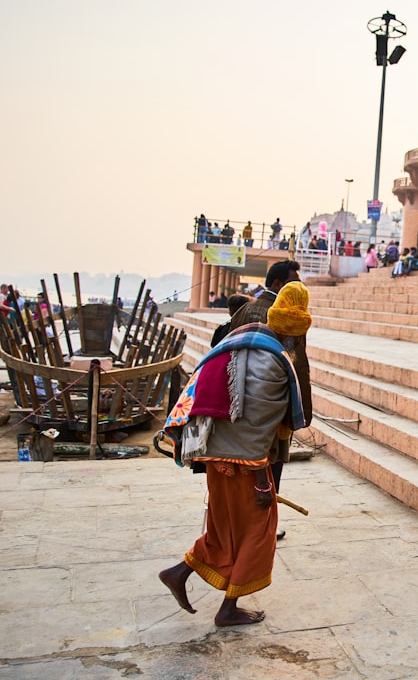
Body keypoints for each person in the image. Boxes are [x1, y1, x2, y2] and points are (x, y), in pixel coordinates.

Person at [157, 290, 310, 627]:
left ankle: (178, 572)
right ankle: (228, 609)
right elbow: (258, 429)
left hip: (213, 454)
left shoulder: (236, 342)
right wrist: (260, 483)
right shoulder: (276, 361)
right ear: (295, 332)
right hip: (246, 466)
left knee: (223, 528)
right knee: (259, 531)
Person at [227, 262, 311, 540]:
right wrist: (301, 410)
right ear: (277, 284)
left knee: (241, 468)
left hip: (237, 401)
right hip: (270, 403)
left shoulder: (244, 309)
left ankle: (241, 524)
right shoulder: (285, 317)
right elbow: (295, 366)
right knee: (268, 467)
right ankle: (260, 528)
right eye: (292, 281)